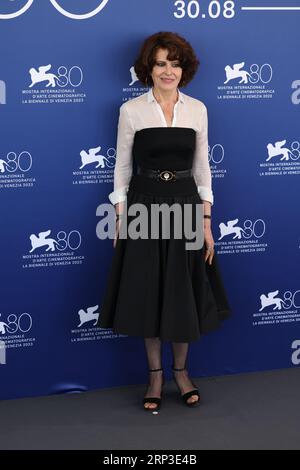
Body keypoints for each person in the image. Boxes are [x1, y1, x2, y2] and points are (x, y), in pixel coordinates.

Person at [97, 32, 231, 411]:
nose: (168, 70)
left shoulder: (198, 110)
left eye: (174, 63)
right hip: (144, 204)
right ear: (148, 69)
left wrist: (205, 221)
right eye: (160, 63)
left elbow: (202, 170)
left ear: (183, 69)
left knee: (182, 291)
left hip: (186, 204)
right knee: (149, 293)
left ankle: (182, 372)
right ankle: (155, 376)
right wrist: (121, 218)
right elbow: (122, 168)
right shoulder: (131, 111)